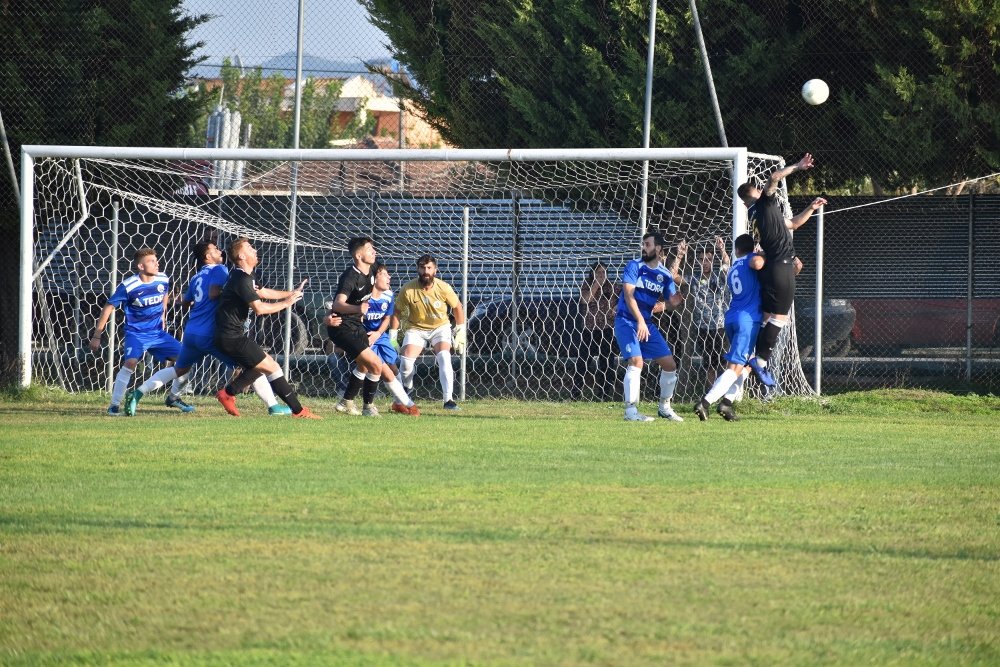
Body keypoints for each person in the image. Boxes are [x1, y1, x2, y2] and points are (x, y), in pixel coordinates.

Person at [123, 238, 291, 417]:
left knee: (179, 369)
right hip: (210, 333)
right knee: (254, 364)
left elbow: (186, 302)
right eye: (215, 249)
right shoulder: (220, 269)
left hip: (192, 332)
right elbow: (213, 293)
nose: (220, 251)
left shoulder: (197, 276)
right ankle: (273, 406)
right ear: (207, 257)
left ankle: (138, 393)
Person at [737, 153, 827, 386]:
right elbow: (775, 176)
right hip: (781, 266)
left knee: (768, 318)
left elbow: (793, 224)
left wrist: (811, 207)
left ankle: (734, 387)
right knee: (780, 319)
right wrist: (798, 166)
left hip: (771, 269)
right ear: (756, 192)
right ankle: (761, 361)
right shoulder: (763, 203)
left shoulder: (757, 214)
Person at [212, 237, 320, 419]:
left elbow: (262, 292)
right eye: (249, 248)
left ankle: (228, 393)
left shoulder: (244, 276)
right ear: (241, 256)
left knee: (261, 367)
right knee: (272, 366)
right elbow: (260, 308)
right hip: (231, 337)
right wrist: (287, 303)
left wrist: (291, 293)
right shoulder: (241, 279)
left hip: (229, 335)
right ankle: (299, 411)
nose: (255, 250)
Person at [88, 247, 192, 416]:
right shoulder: (129, 286)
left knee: (186, 360)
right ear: (141, 267)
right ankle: (114, 406)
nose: (157, 263)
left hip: (157, 333)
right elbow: (108, 306)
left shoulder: (163, 278)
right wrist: (97, 334)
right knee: (130, 363)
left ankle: (174, 397)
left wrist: (163, 316)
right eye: (151, 261)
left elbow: (165, 294)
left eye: (156, 260)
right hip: (136, 334)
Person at [327, 258, 419, 417]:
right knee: (379, 368)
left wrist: (379, 334)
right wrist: (327, 318)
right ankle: (405, 404)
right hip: (363, 337)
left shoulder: (388, 295)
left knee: (386, 367)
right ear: (375, 278)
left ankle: (347, 401)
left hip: (379, 336)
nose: (389, 277)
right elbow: (338, 307)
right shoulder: (362, 294)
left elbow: (387, 318)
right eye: (385, 274)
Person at [613, 232, 685, 422]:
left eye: (647, 244)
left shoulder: (665, 275)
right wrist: (641, 321)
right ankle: (631, 412)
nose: (644, 248)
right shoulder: (634, 266)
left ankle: (664, 407)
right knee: (636, 362)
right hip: (626, 321)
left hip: (646, 324)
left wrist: (673, 303)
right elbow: (628, 296)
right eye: (643, 244)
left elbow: (668, 303)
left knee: (670, 365)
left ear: (659, 248)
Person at [694, 234, 765, 422]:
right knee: (735, 367)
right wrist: (765, 255)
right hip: (747, 319)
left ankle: (726, 403)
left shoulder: (734, 266)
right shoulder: (751, 260)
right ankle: (705, 402)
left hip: (732, 317)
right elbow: (758, 263)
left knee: (747, 366)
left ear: (736, 250)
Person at [325, 237, 392, 417]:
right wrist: (357, 309)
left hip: (356, 324)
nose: (374, 251)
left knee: (363, 366)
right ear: (358, 255)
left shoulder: (372, 268)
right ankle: (368, 407)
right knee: (376, 364)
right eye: (370, 249)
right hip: (341, 327)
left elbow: (383, 273)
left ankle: (346, 402)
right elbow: (338, 304)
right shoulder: (350, 276)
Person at [393, 254, 466, 411]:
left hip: (440, 327)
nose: (425, 271)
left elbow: (457, 307)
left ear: (435, 270)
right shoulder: (408, 289)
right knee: (405, 362)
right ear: (418, 269)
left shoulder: (444, 287)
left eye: (429, 268)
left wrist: (460, 330)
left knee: (444, 357)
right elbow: (397, 311)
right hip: (416, 328)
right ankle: (407, 389)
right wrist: (393, 335)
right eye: (422, 267)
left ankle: (448, 400)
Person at [673, 236, 731, 389]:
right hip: (703, 328)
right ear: (698, 261)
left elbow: (727, 264)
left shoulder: (720, 276)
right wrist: (679, 255)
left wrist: (722, 249)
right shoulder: (694, 278)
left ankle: (724, 392)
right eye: (702, 259)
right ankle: (711, 394)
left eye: (708, 259)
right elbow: (673, 276)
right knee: (709, 365)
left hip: (721, 327)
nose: (705, 262)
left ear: (713, 261)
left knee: (724, 363)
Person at [576, 261, 619, 400]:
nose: (601, 275)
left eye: (604, 272)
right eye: (598, 272)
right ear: (593, 273)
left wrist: (617, 308)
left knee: (606, 364)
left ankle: (604, 395)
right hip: (590, 330)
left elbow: (626, 296)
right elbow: (585, 300)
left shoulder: (613, 287)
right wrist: (596, 285)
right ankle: (576, 394)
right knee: (583, 362)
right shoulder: (587, 285)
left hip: (607, 329)